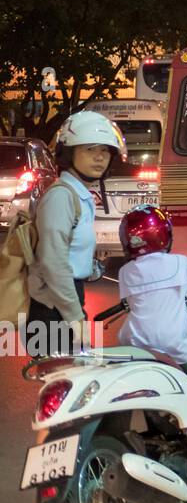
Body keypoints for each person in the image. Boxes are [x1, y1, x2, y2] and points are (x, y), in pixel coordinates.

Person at [117, 205, 187, 445]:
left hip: (137, 341)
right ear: (162, 234)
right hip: (173, 339)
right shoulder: (180, 264)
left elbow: (130, 299)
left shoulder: (125, 272)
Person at [26, 110, 124, 356]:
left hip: (64, 302)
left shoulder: (78, 195)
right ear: (69, 153)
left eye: (105, 150)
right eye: (90, 149)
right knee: (64, 376)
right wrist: (75, 318)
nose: (99, 157)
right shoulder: (61, 197)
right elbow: (53, 263)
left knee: (72, 375)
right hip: (52, 309)